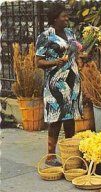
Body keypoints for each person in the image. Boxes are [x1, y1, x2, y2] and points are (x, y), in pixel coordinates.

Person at [35, 3, 82, 166]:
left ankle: (70, 154)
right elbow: (38, 62)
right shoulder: (45, 36)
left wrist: (83, 55)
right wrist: (56, 61)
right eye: (64, 16)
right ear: (55, 19)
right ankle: (50, 156)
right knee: (55, 119)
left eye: (67, 15)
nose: (67, 18)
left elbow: (75, 52)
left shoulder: (70, 33)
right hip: (55, 83)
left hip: (72, 80)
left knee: (70, 118)